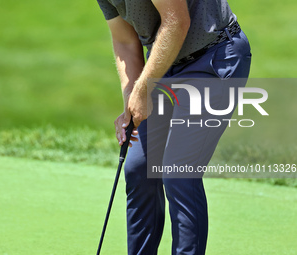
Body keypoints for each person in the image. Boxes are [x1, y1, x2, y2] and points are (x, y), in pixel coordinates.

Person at [97, 0, 252, 254]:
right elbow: (124, 41)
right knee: (139, 168)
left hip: (214, 57)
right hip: (164, 65)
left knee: (179, 172)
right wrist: (132, 98)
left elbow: (176, 22)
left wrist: (143, 89)